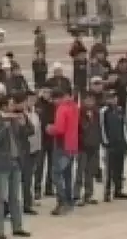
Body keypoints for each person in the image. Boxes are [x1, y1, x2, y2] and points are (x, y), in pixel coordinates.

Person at [0, 93, 33, 239]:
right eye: (11, 104)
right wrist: (4, 128)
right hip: (2, 163)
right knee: (1, 198)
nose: (13, 106)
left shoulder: (15, 118)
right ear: (4, 106)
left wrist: (25, 121)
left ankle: (17, 227)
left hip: (16, 161)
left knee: (15, 197)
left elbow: (29, 132)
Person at [45, 88, 78, 216]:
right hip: (72, 145)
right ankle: (69, 201)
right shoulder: (74, 107)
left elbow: (59, 129)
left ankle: (62, 201)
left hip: (62, 145)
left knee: (56, 174)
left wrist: (49, 128)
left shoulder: (62, 109)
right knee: (68, 175)